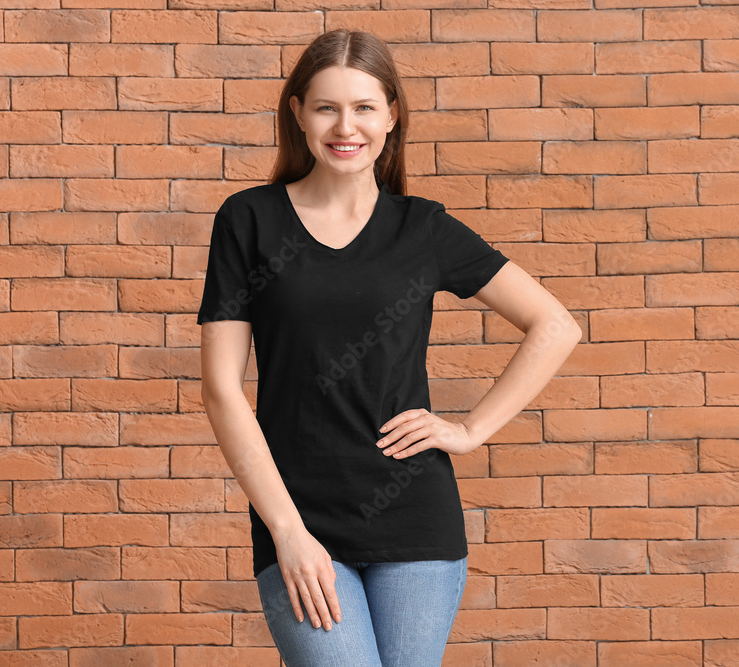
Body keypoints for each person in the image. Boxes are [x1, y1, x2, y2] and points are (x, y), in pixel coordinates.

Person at [196, 29, 582, 667]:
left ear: (391, 116)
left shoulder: (422, 228)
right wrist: (287, 532)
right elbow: (221, 390)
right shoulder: (250, 221)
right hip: (300, 518)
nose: (345, 126)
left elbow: (555, 325)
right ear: (297, 113)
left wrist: (470, 429)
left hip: (416, 522)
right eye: (326, 107)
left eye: (364, 107)